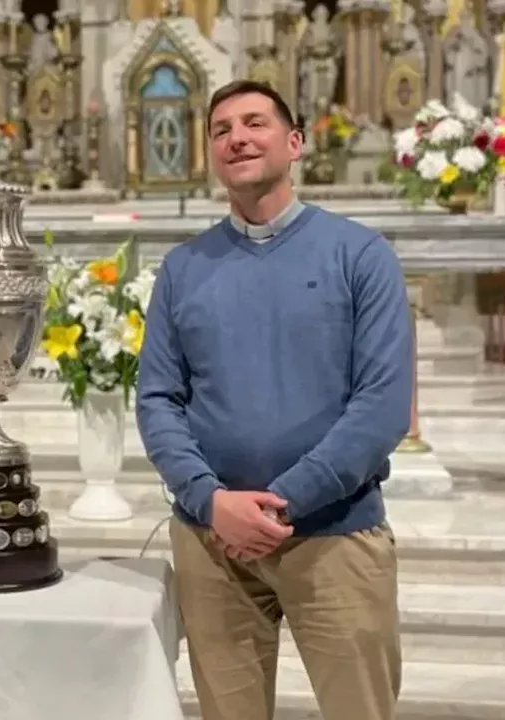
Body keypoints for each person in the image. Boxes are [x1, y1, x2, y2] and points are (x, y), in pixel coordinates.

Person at [136, 79, 412, 720]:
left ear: (295, 143)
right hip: (212, 546)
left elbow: (381, 405)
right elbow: (157, 399)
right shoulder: (183, 267)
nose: (236, 137)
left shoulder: (360, 255)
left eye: (255, 123)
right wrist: (210, 500)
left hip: (334, 538)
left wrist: (281, 506)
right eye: (221, 129)